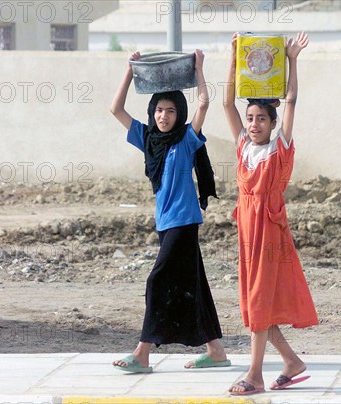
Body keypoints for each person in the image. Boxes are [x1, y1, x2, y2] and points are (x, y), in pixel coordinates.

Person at [109, 49, 230, 373]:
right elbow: (115, 108)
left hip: (185, 221)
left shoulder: (187, 140)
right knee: (196, 285)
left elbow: (204, 102)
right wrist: (129, 71)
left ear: (179, 115)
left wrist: (199, 69)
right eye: (160, 110)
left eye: (171, 111)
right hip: (165, 223)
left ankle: (142, 352)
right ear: (153, 112)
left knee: (157, 281)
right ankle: (216, 350)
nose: (164, 116)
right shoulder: (147, 139)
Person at [223, 32, 319, 395]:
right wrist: (234, 57)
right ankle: (292, 362)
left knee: (260, 303)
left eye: (261, 118)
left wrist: (294, 60)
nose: (253, 123)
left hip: (269, 233)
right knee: (255, 303)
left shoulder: (280, 149)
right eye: (250, 118)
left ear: (271, 122)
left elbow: (291, 99)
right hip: (248, 233)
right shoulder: (244, 147)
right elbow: (226, 104)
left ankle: (254, 374)